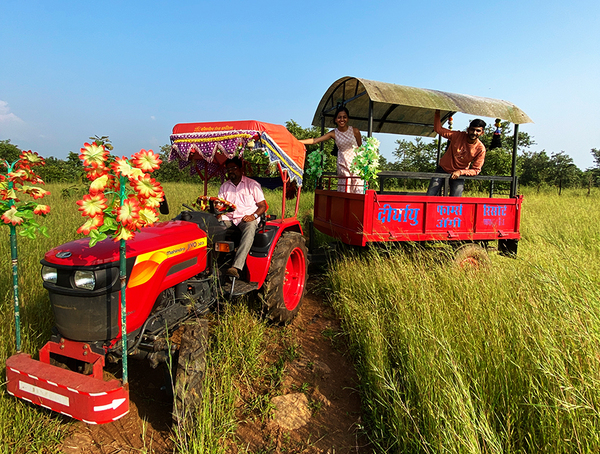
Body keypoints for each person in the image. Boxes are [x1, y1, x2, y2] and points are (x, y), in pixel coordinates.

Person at [218, 157, 267, 279]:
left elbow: (263, 205)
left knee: (250, 227)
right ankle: (212, 262)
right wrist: (216, 213)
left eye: (234, 168)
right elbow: (220, 206)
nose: (231, 171)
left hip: (246, 218)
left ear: (241, 169)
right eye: (229, 169)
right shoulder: (224, 187)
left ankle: (235, 267)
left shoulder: (252, 185)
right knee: (211, 226)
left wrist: (253, 216)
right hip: (229, 218)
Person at [299, 106, 364, 193]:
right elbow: (315, 140)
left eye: (344, 117)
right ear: (336, 119)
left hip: (356, 163)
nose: (342, 119)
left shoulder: (355, 131)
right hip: (343, 163)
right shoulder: (334, 133)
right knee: (346, 186)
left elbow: (360, 147)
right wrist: (297, 141)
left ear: (347, 119)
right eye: (339, 117)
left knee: (357, 185)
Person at [426, 110, 487, 197]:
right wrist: (437, 112)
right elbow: (438, 129)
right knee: (429, 196)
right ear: (468, 129)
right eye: (472, 130)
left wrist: (460, 172)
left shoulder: (481, 149)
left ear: (482, 133)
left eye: (478, 131)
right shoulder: (458, 135)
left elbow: (476, 170)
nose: (474, 133)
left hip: (459, 174)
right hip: (443, 169)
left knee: (456, 201)